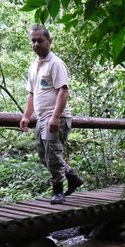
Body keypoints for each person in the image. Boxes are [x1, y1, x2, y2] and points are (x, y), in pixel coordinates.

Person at [20, 25, 84, 205]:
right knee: (44, 156)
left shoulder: (55, 63)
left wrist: (56, 116)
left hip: (57, 117)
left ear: (49, 41)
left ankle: (58, 191)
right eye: (33, 40)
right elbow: (32, 94)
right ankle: (72, 177)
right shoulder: (33, 66)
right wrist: (26, 116)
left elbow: (63, 91)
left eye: (40, 40)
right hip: (41, 118)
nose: (36, 44)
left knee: (53, 155)